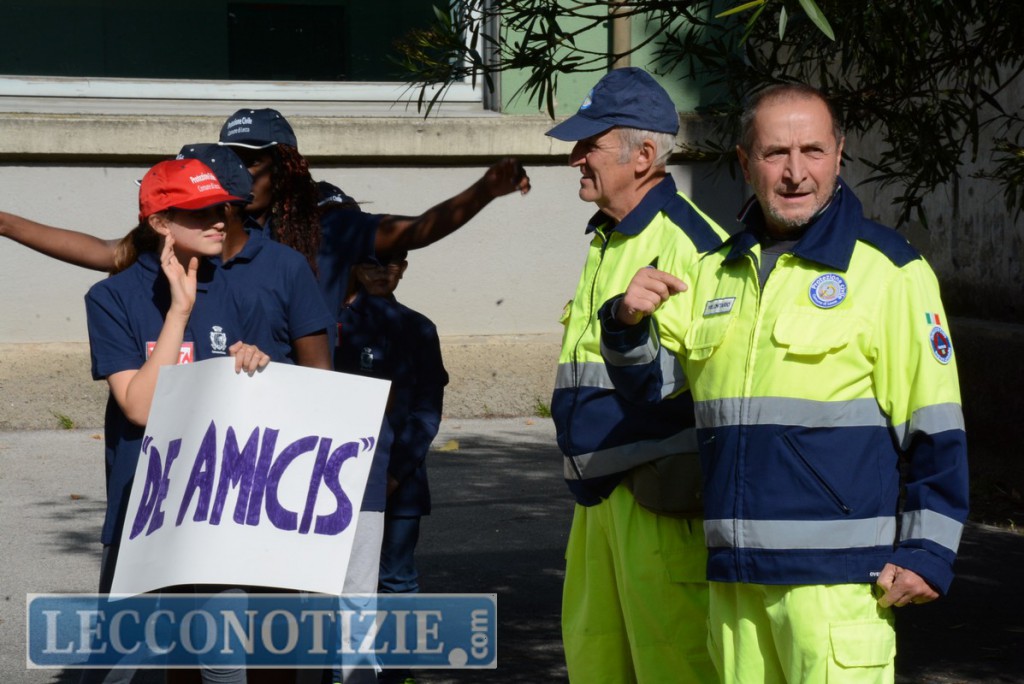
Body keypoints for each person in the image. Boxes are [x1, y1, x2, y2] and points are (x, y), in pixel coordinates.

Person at [601, 83, 969, 682]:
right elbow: (651, 391)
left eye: (813, 151)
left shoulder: (891, 271)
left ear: (839, 154)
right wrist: (625, 323)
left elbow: (935, 425)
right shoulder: (712, 272)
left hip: (838, 586)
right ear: (745, 162)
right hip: (734, 584)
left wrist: (929, 551)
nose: (796, 173)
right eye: (776, 153)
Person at [545, 67, 727, 683]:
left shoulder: (697, 247)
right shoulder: (610, 237)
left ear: (644, 156)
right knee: (596, 663)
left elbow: (716, 385)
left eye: (589, 144)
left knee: (674, 668)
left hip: (661, 504)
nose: (575, 158)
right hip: (600, 498)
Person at [83, 158, 271, 683]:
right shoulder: (112, 297)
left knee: (224, 668)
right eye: (200, 212)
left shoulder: (233, 289)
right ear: (160, 223)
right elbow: (140, 408)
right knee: (117, 666)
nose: (219, 221)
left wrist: (254, 364)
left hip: (216, 510)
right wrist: (178, 313)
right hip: (144, 512)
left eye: (221, 209)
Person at [333, 250, 448, 684]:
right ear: (354, 267)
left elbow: (427, 411)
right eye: (372, 263)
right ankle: (341, 672)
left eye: (393, 263)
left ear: (405, 268)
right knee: (334, 584)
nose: (383, 272)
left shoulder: (418, 328)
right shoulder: (334, 324)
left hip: (400, 479)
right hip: (336, 480)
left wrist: (395, 473)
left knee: (396, 580)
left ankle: (398, 673)